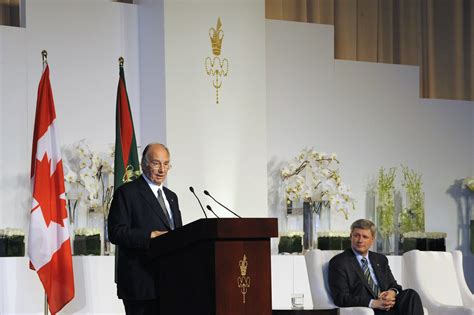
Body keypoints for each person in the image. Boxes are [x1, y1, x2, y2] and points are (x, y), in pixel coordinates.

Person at [108, 143, 183, 315]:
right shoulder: (127, 193)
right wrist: (149, 236)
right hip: (140, 284)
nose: (162, 169)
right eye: (156, 163)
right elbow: (116, 232)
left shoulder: (172, 197)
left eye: (166, 164)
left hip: (168, 283)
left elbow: (178, 234)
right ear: (143, 164)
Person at [328, 219, 423, 315]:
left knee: (410, 295)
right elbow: (341, 298)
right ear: (350, 237)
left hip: (388, 305)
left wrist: (391, 293)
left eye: (365, 237)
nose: (360, 240)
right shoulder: (339, 262)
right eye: (356, 236)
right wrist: (374, 303)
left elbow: (394, 285)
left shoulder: (380, 259)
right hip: (370, 309)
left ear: (372, 239)